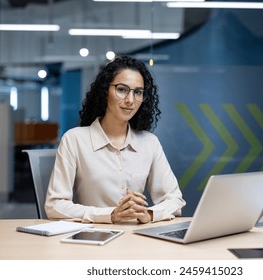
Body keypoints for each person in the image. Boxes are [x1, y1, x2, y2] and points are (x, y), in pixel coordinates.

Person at [45, 55, 186, 224]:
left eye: (138, 92)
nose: (130, 100)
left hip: (136, 238)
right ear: (105, 91)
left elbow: (175, 200)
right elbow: (54, 206)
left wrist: (148, 214)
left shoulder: (150, 142)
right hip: (92, 239)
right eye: (122, 89)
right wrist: (110, 215)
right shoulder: (74, 140)